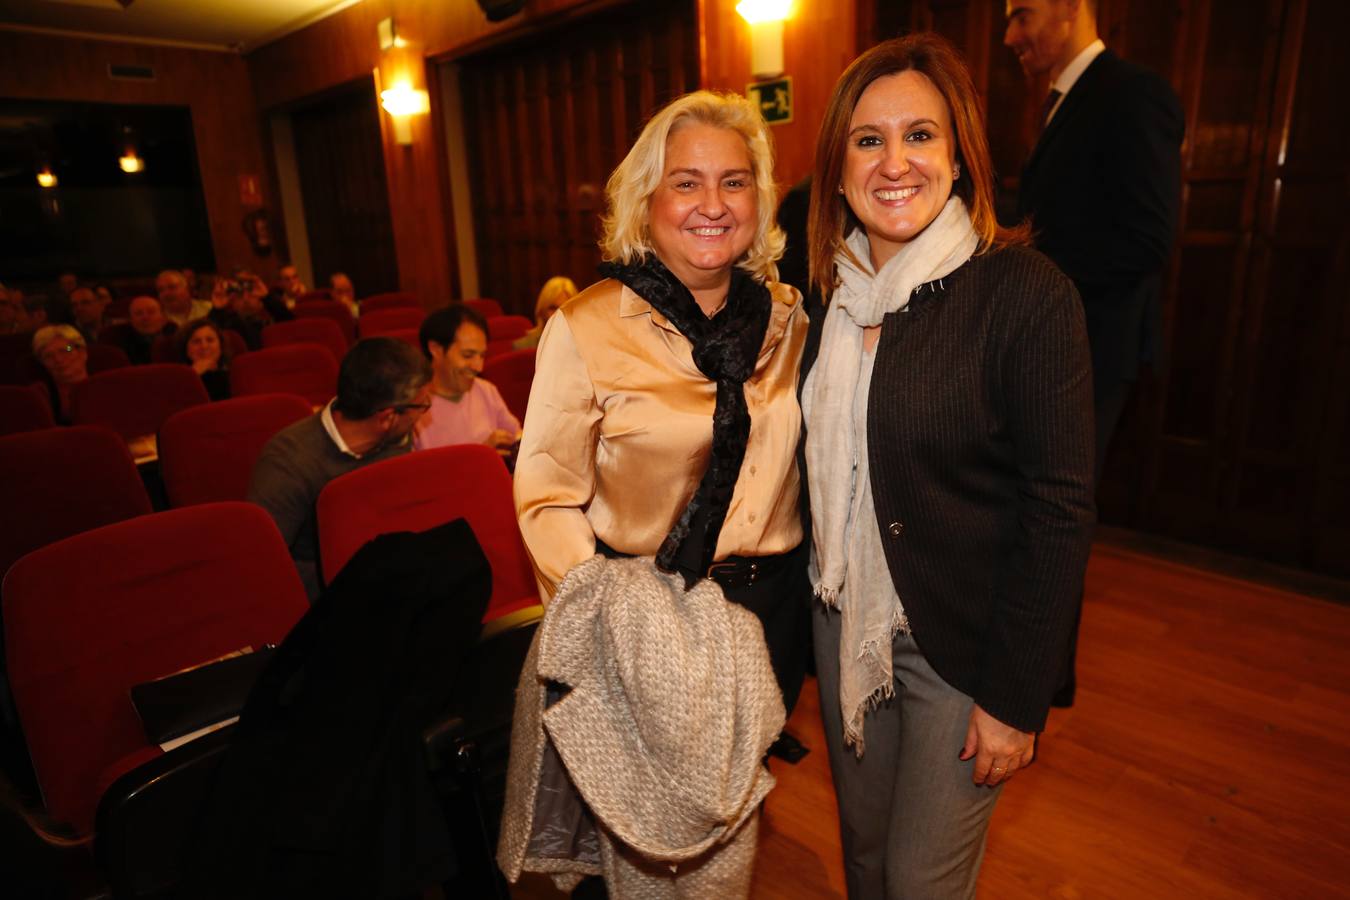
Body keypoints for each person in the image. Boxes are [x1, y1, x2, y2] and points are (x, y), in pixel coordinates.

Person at [801, 34, 1095, 899]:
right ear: (840, 167)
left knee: (921, 883)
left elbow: (1060, 508)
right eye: (868, 139)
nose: (895, 161)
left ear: (961, 156)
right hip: (842, 621)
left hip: (962, 645)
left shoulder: (1026, 294)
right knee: (863, 862)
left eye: (920, 135)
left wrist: (1017, 697)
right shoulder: (829, 297)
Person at [507, 90, 809, 897]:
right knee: (641, 846)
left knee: (726, 841)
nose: (713, 205)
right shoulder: (588, 325)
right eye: (686, 182)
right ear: (647, 198)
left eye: (735, 182)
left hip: (767, 614)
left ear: (760, 197)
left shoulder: (789, 319)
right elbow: (544, 494)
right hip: (642, 616)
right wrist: (610, 610)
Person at [1005, 0, 1183, 708]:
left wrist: (1028, 268)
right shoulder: (1060, 103)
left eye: (1020, 15)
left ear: (1070, 7)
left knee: (1056, 510)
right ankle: (1043, 668)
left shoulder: (1132, 94)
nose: (1009, 35)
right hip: (1059, 347)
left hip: (1091, 350)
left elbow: (1145, 239)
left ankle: (1040, 678)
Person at [247, 337, 432, 600]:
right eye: (422, 405)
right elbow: (266, 564)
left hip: (389, 577)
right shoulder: (288, 462)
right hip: (328, 597)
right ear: (387, 417)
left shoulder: (397, 439)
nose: (424, 413)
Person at [412, 304, 521, 452]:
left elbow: (516, 435)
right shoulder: (413, 410)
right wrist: (483, 452)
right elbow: (423, 473)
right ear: (435, 350)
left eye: (482, 355)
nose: (479, 367)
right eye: (467, 355)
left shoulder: (486, 390)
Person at [208, 267, 294, 350]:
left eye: (250, 289)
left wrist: (267, 297)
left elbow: (291, 325)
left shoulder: (273, 313)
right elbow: (209, 336)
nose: (246, 298)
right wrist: (217, 310)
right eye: (239, 294)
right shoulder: (229, 322)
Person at [30, 324, 89, 422]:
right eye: (48, 356)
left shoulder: (106, 384)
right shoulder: (40, 396)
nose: (58, 360)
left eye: (64, 351)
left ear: (82, 353)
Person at [106, 295, 175, 365]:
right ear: (131, 320)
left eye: (151, 312)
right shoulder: (120, 343)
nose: (145, 318)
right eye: (138, 313)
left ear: (164, 317)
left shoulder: (176, 336)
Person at [512, 276, 577, 350]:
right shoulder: (524, 347)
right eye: (553, 308)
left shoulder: (586, 344)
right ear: (542, 312)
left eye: (565, 308)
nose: (559, 314)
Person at [178, 318, 232, 401]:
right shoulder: (178, 381)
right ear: (186, 349)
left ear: (220, 345)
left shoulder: (234, 375)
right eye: (196, 341)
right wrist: (192, 375)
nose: (204, 346)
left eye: (210, 340)